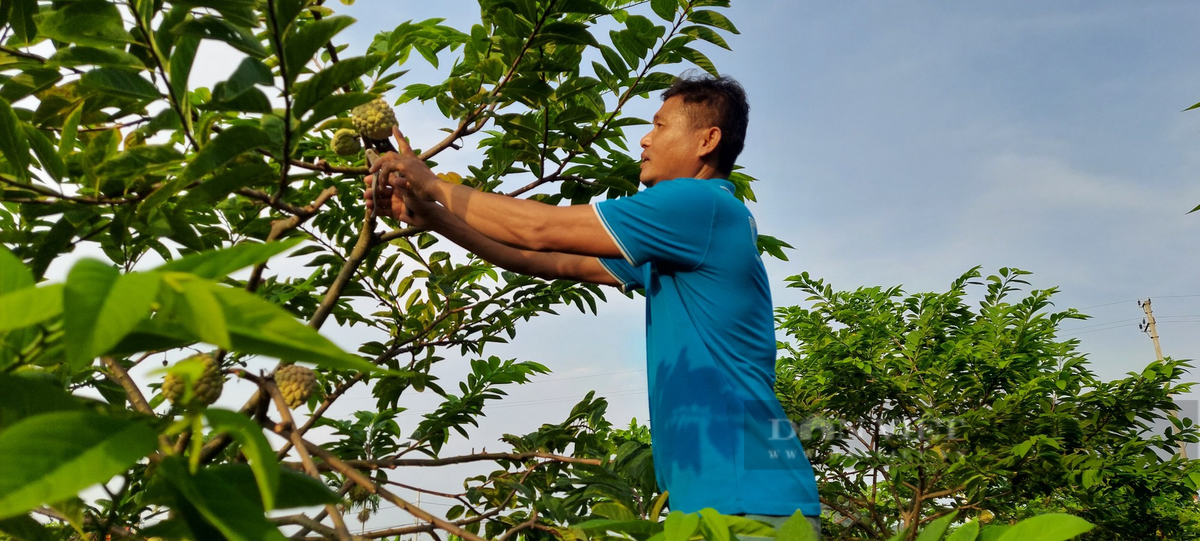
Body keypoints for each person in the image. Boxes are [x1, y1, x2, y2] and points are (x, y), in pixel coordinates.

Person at [365, 74, 822, 539]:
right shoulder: (687, 233)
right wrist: (434, 217)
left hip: (747, 504)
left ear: (707, 140)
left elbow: (539, 230)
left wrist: (434, 184)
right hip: (722, 500)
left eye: (660, 125)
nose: (645, 139)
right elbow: (544, 260)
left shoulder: (696, 204)